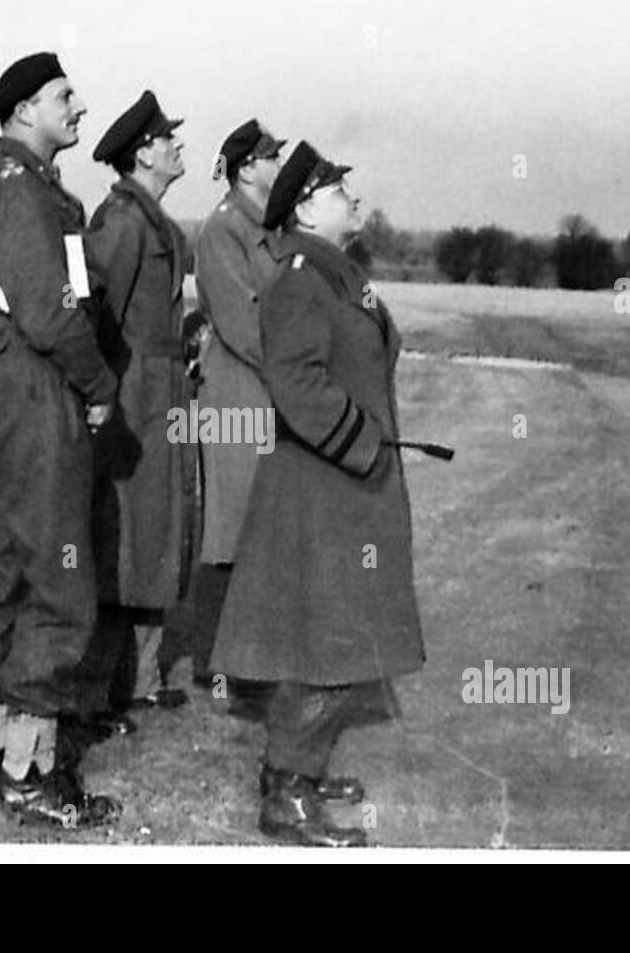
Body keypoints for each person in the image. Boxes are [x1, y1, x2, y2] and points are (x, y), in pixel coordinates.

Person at [210, 142, 426, 847]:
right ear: (304, 206)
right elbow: (298, 384)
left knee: (340, 638)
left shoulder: (336, 272)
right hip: (326, 488)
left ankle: (298, 772)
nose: (354, 199)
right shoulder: (303, 278)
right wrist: (364, 446)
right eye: (339, 190)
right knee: (325, 642)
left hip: (346, 486)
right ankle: (285, 790)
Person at [0, 52, 121, 827]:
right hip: (35, 388)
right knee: (59, 580)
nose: (80, 106)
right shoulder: (18, 190)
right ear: (25, 111)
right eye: (64, 96)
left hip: (14, 389)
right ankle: (30, 770)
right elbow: (52, 313)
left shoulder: (22, 186)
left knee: (10, 571)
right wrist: (99, 385)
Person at [77, 90, 195, 729]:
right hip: (131, 398)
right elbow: (92, 313)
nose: (178, 146)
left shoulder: (157, 224)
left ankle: (142, 679)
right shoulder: (121, 224)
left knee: (159, 529)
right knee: (120, 535)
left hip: (161, 396)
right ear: (143, 152)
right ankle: (98, 690)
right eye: (168, 138)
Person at [191, 119, 285, 711]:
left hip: (263, 393)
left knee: (259, 530)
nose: (280, 166)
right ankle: (222, 669)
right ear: (247, 167)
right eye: (272, 156)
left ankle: (251, 662)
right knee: (230, 532)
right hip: (235, 398)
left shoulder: (267, 230)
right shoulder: (224, 232)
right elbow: (245, 322)